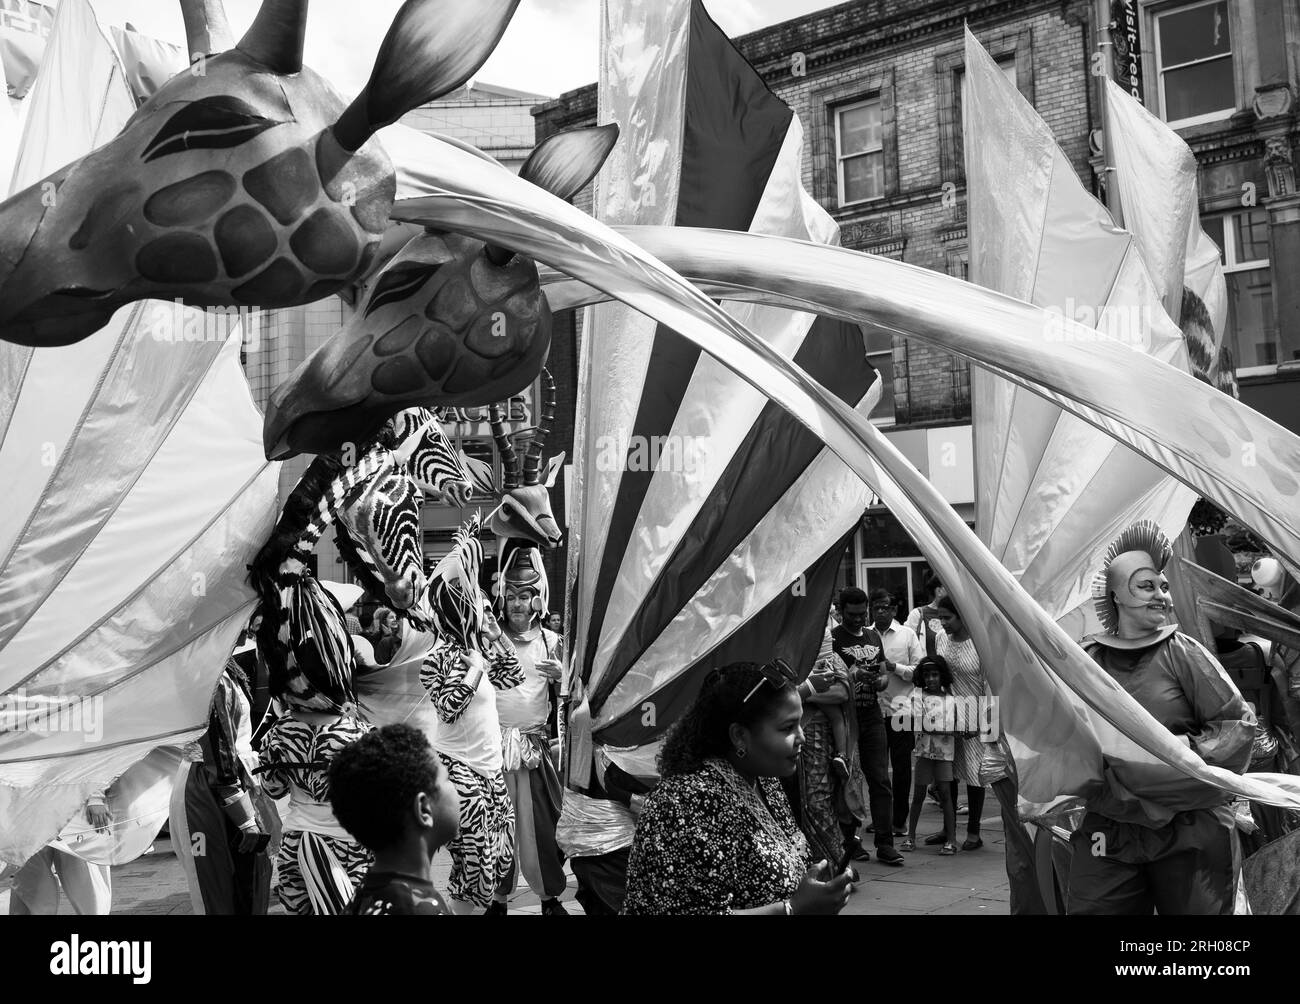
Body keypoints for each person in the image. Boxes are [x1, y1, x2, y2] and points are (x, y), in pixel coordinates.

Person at [1067, 520, 1256, 915]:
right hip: (1111, 827)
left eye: (1164, 587)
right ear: (1116, 593)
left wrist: (1164, 763)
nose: (1161, 595)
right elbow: (1068, 739)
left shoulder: (1184, 652)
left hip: (1189, 827)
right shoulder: (1087, 663)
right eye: (1146, 585)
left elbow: (1236, 728)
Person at [623, 661, 855, 914]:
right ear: (740, 736)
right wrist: (793, 908)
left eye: (800, 724)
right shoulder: (685, 802)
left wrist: (817, 888)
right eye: (788, 728)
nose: (801, 737)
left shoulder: (763, 779)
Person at [489, 542, 569, 916]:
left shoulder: (551, 642)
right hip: (494, 750)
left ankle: (549, 898)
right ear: (501, 599)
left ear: (538, 600)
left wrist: (564, 678)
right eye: (511, 596)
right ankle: (498, 899)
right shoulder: (488, 640)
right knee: (497, 828)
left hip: (536, 750)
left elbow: (576, 695)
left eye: (526, 596)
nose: (518, 604)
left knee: (543, 827)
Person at [169, 657, 277, 915]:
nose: (252, 622)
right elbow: (217, 748)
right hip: (208, 786)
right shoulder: (206, 671)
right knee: (216, 891)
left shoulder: (227, 667)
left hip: (236, 780)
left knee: (251, 879)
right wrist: (243, 814)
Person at [330, 724, 461, 915]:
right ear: (424, 809)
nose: (456, 790)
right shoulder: (419, 909)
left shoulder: (369, 894)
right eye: (448, 779)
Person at [832, 587, 904, 866]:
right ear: (841, 611)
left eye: (863, 614)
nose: (858, 619)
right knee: (848, 779)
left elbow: (884, 675)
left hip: (873, 712)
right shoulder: (833, 638)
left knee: (880, 779)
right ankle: (850, 841)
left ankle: (885, 843)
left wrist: (878, 681)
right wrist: (851, 676)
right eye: (852, 614)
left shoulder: (873, 635)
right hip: (845, 716)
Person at [791, 628, 867, 869]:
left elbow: (842, 693)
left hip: (821, 747)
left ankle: (835, 865)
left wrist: (801, 693)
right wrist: (804, 692)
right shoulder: (792, 657)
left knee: (818, 802)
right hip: (792, 745)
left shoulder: (831, 660)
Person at [931, 593, 995, 851]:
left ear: (962, 615)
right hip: (947, 713)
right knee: (948, 773)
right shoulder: (940, 639)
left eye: (947, 618)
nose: (943, 623)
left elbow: (991, 685)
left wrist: (985, 723)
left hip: (976, 712)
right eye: (940, 618)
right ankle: (948, 829)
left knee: (974, 773)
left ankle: (974, 832)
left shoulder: (981, 642)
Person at [869, 589, 924, 836]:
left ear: (893, 610)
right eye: (876, 607)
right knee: (877, 770)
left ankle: (899, 820)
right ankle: (881, 817)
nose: (880, 611)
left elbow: (920, 671)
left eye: (885, 607)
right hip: (873, 710)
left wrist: (896, 668)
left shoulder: (907, 634)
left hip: (902, 708)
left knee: (901, 768)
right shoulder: (866, 636)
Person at [8, 793, 113, 915]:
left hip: (74, 807)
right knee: (31, 883)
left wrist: (95, 798)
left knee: (87, 883)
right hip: (27, 807)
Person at [902, 655, 957, 855]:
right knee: (918, 795)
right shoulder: (916, 696)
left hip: (944, 755)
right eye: (927, 675)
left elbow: (950, 724)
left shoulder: (951, 699)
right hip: (923, 753)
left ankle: (951, 840)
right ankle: (910, 836)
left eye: (935, 675)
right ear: (921, 677)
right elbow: (921, 724)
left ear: (942, 676)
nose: (931, 679)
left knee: (945, 795)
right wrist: (952, 731)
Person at [905, 573, 947, 658]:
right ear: (939, 591)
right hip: (927, 668)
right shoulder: (918, 615)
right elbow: (906, 644)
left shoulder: (959, 615)